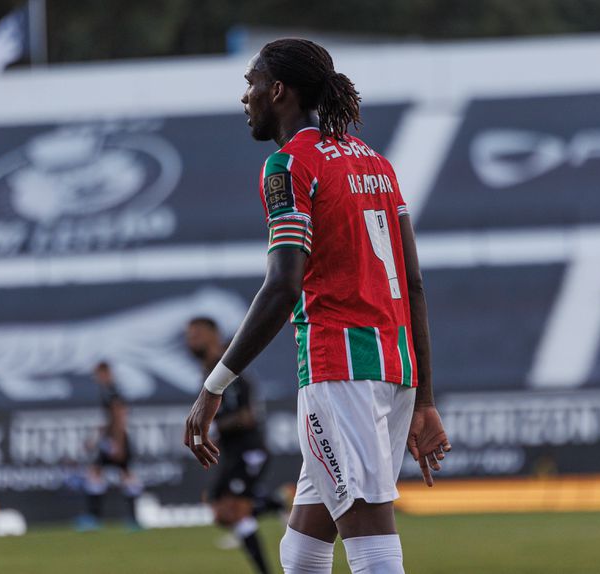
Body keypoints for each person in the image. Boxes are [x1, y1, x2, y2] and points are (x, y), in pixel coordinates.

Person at [184, 38, 450, 574]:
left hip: (340, 371)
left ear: (278, 91)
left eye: (252, 84)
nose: (245, 97)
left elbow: (283, 287)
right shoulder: (377, 164)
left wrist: (214, 386)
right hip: (394, 368)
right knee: (303, 548)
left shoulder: (288, 165)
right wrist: (423, 397)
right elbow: (414, 284)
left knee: (370, 539)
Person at [186, 317, 273, 574]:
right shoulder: (208, 373)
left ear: (214, 335)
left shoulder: (227, 371)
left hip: (248, 450)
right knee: (220, 511)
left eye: (197, 334)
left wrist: (212, 427)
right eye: (189, 335)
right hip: (232, 452)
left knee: (234, 511)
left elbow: (247, 416)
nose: (191, 340)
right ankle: (277, 503)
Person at [76, 362, 143, 531]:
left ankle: (127, 519)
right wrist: (96, 440)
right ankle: (98, 518)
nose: (96, 378)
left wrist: (118, 443)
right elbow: (110, 420)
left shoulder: (112, 391)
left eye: (98, 374)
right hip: (111, 439)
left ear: (105, 373)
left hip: (116, 440)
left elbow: (119, 416)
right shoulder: (107, 391)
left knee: (123, 474)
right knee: (100, 472)